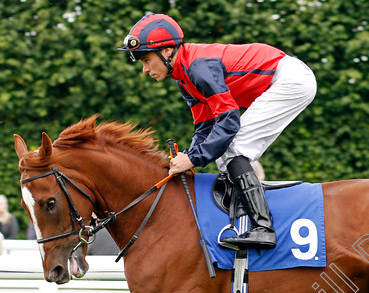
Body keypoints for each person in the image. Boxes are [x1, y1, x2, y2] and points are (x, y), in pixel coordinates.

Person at [119, 13, 317, 250]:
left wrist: (193, 158)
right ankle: (243, 217)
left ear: (167, 51)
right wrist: (189, 157)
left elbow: (228, 120)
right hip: (286, 78)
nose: (144, 70)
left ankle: (263, 228)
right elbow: (206, 127)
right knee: (223, 153)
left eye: (146, 60)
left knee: (234, 147)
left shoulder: (198, 67)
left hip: (291, 79)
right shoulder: (185, 80)